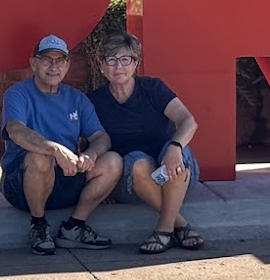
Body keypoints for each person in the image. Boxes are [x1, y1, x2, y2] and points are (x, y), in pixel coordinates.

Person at [0, 34, 121, 256]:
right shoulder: (17, 94)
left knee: (113, 161)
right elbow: (15, 130)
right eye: (47, 59)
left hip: (66, 175)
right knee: (40, 157)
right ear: (34, 63)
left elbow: (101, 136)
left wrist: (91, 154)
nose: (54, 66)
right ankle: (38, 225)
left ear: (67, 65)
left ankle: (74, 227)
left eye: (60, 60)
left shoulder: (77, 99)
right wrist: (55, 149)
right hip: (22, 183)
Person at [87, 32, 206, 255]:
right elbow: (86, 143)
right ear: (101, 65)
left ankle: (164, 230)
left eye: (125, 59)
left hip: (175, 174)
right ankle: (179, 225)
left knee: (174, 152)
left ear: (136, 64)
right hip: (130, 182)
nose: (118, 66)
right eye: (111, 59)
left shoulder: (153, 89)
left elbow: (188, 120)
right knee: (136, 161)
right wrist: (101, 185)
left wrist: (175, 147)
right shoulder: (94, 102)